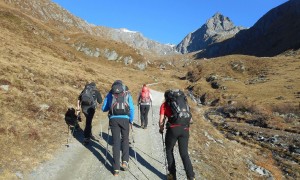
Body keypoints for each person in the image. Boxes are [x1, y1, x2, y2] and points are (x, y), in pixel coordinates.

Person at [159, 89, 195, 180]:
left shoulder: (164, 105)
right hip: (185, 129)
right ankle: (191, 176)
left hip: (173, 129)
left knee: (169, 150)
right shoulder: (184, 104)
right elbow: (191, 120)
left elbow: (161, 120)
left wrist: (161, 128)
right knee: (184, 153)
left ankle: (172, 176)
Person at [102, 80, 134, 176]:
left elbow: (104, 108)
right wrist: (131, 120)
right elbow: (132, 108)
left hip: (113, 119)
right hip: (125, 119)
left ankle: (116, 170)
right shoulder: (127, 94)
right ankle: (124, 162)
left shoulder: (110, 94)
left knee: (116, 142)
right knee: (125, 140)